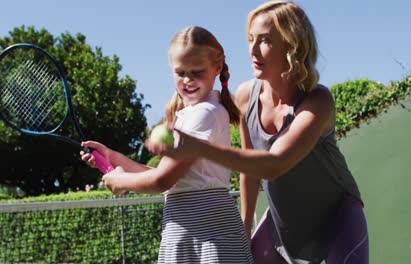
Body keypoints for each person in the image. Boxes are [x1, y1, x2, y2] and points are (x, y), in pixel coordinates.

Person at [148, 1, 369, 263]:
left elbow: (274, 165)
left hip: (337, 218)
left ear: (292, 45)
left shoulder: (318, 101)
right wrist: (244, 223)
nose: (252, 49)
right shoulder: (245, 97)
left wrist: (198, 147)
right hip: (282, 225)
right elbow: (248, 173)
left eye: (265, 40)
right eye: (251, 39)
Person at [80, 26, 254, 264]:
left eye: (197, 71)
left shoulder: (206, 114)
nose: (187, 80)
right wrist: (112, 157)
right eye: (180, 72)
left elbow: (163, 180)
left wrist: (119, 180)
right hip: (186, 230)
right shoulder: (188, 115)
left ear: (218, 67)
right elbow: (168, 177)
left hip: (207, 233)